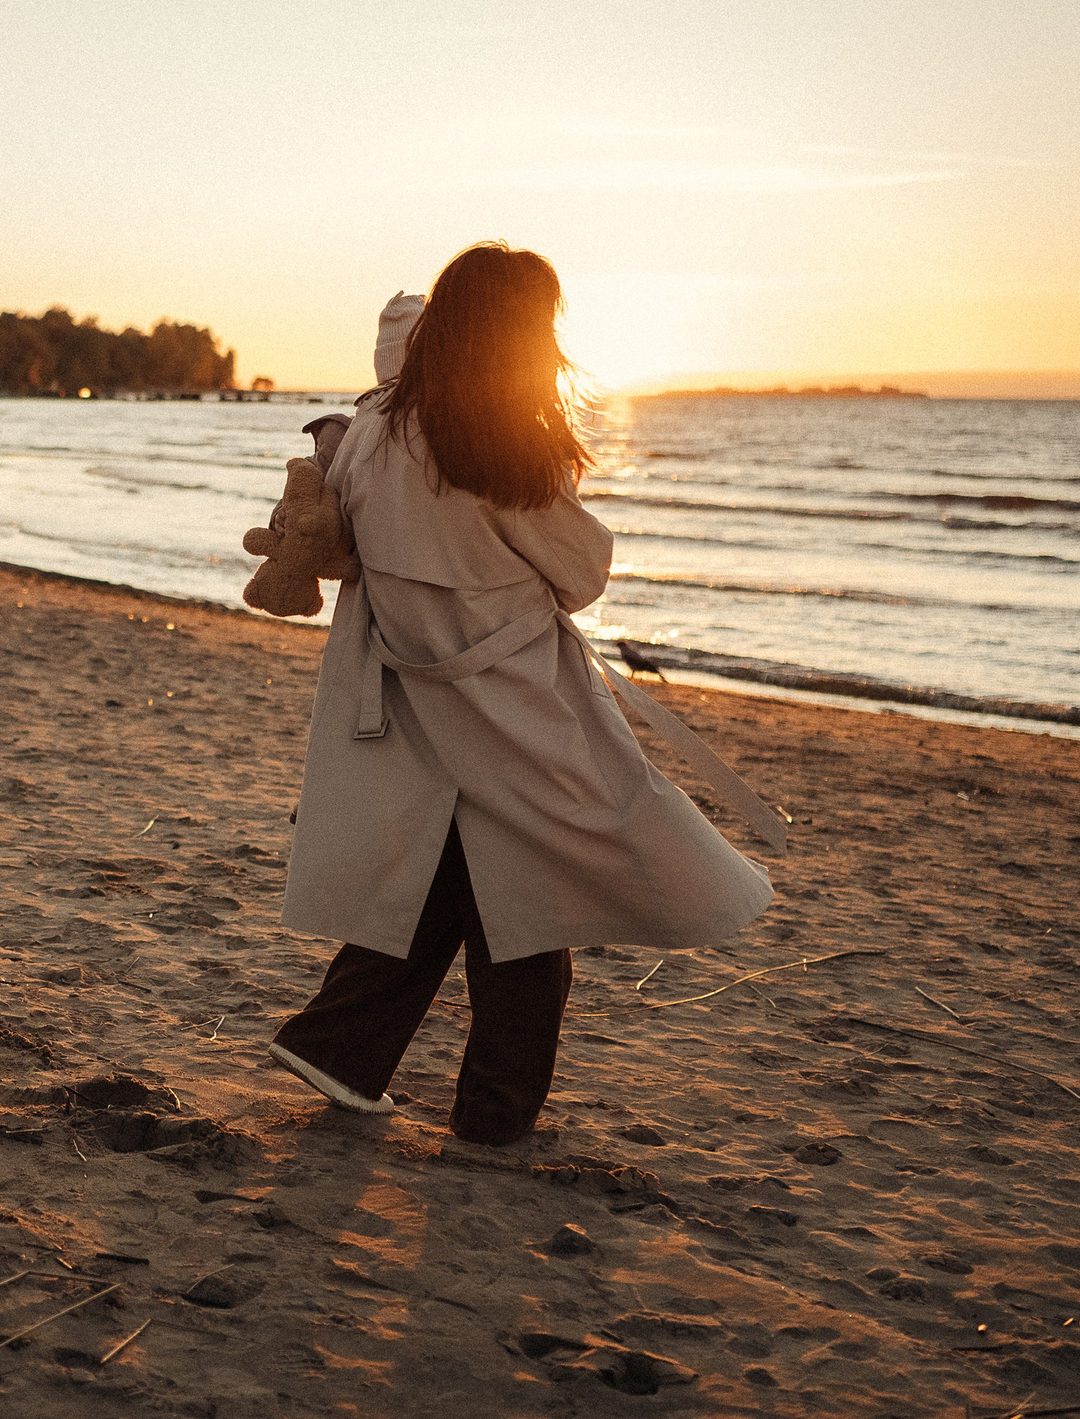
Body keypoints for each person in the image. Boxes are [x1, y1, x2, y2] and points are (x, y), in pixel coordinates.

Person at [265, 243, 778, 1146]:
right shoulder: (504, 448)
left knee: (463, 881)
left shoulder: (374, 436)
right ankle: (487, 1109)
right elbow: (582, 575)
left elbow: (351, 545)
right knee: (534, 895)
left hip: (420, 699)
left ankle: (340, 1045)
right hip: (518, 703)